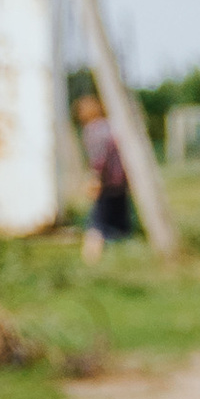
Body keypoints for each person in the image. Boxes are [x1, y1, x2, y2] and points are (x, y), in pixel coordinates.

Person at [76, 88, 134, 266]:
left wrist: (94, 179)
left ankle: (90, 260)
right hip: (121, 181)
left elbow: (98, 158)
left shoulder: (93, 130)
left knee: (97, 222)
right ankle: (125, 260)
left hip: (106, 181)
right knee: (121, 223)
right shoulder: (111, 126)